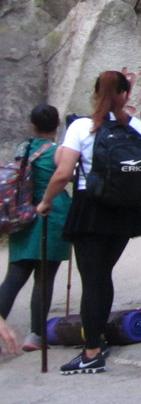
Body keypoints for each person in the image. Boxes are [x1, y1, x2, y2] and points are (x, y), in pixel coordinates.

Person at [37, 71, 141, 374]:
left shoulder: (81, 127)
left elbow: (63, 172)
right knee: (103, 275)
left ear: (95, 94)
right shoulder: (137, 126)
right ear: (125, 95)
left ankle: (91, 352)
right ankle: (97, 338)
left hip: (92, 209)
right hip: (126, 210)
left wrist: (46, 202)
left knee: (93, 280)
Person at [0, 104, 72, 352]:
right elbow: (67, 176)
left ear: (32, 125)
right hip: (51, 214)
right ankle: (36, 335)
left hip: (22, 214)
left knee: (14, 276)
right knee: (45, 277)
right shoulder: (59, 151)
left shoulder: (22, 148)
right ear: (57, 125)